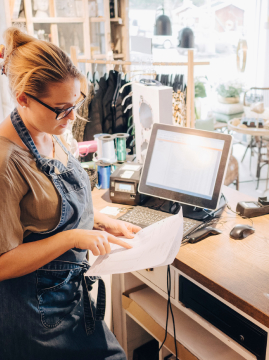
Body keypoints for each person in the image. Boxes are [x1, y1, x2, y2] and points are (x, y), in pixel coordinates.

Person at [0, 27, 141, 359]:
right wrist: (73, 238)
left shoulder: (50, 131)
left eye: (75, 103)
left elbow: (48, 209)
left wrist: (99, 221)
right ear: (22, 98)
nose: (72, 117)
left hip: (72, 299)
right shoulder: (6, 161)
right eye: (61, 109)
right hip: (35, 318)